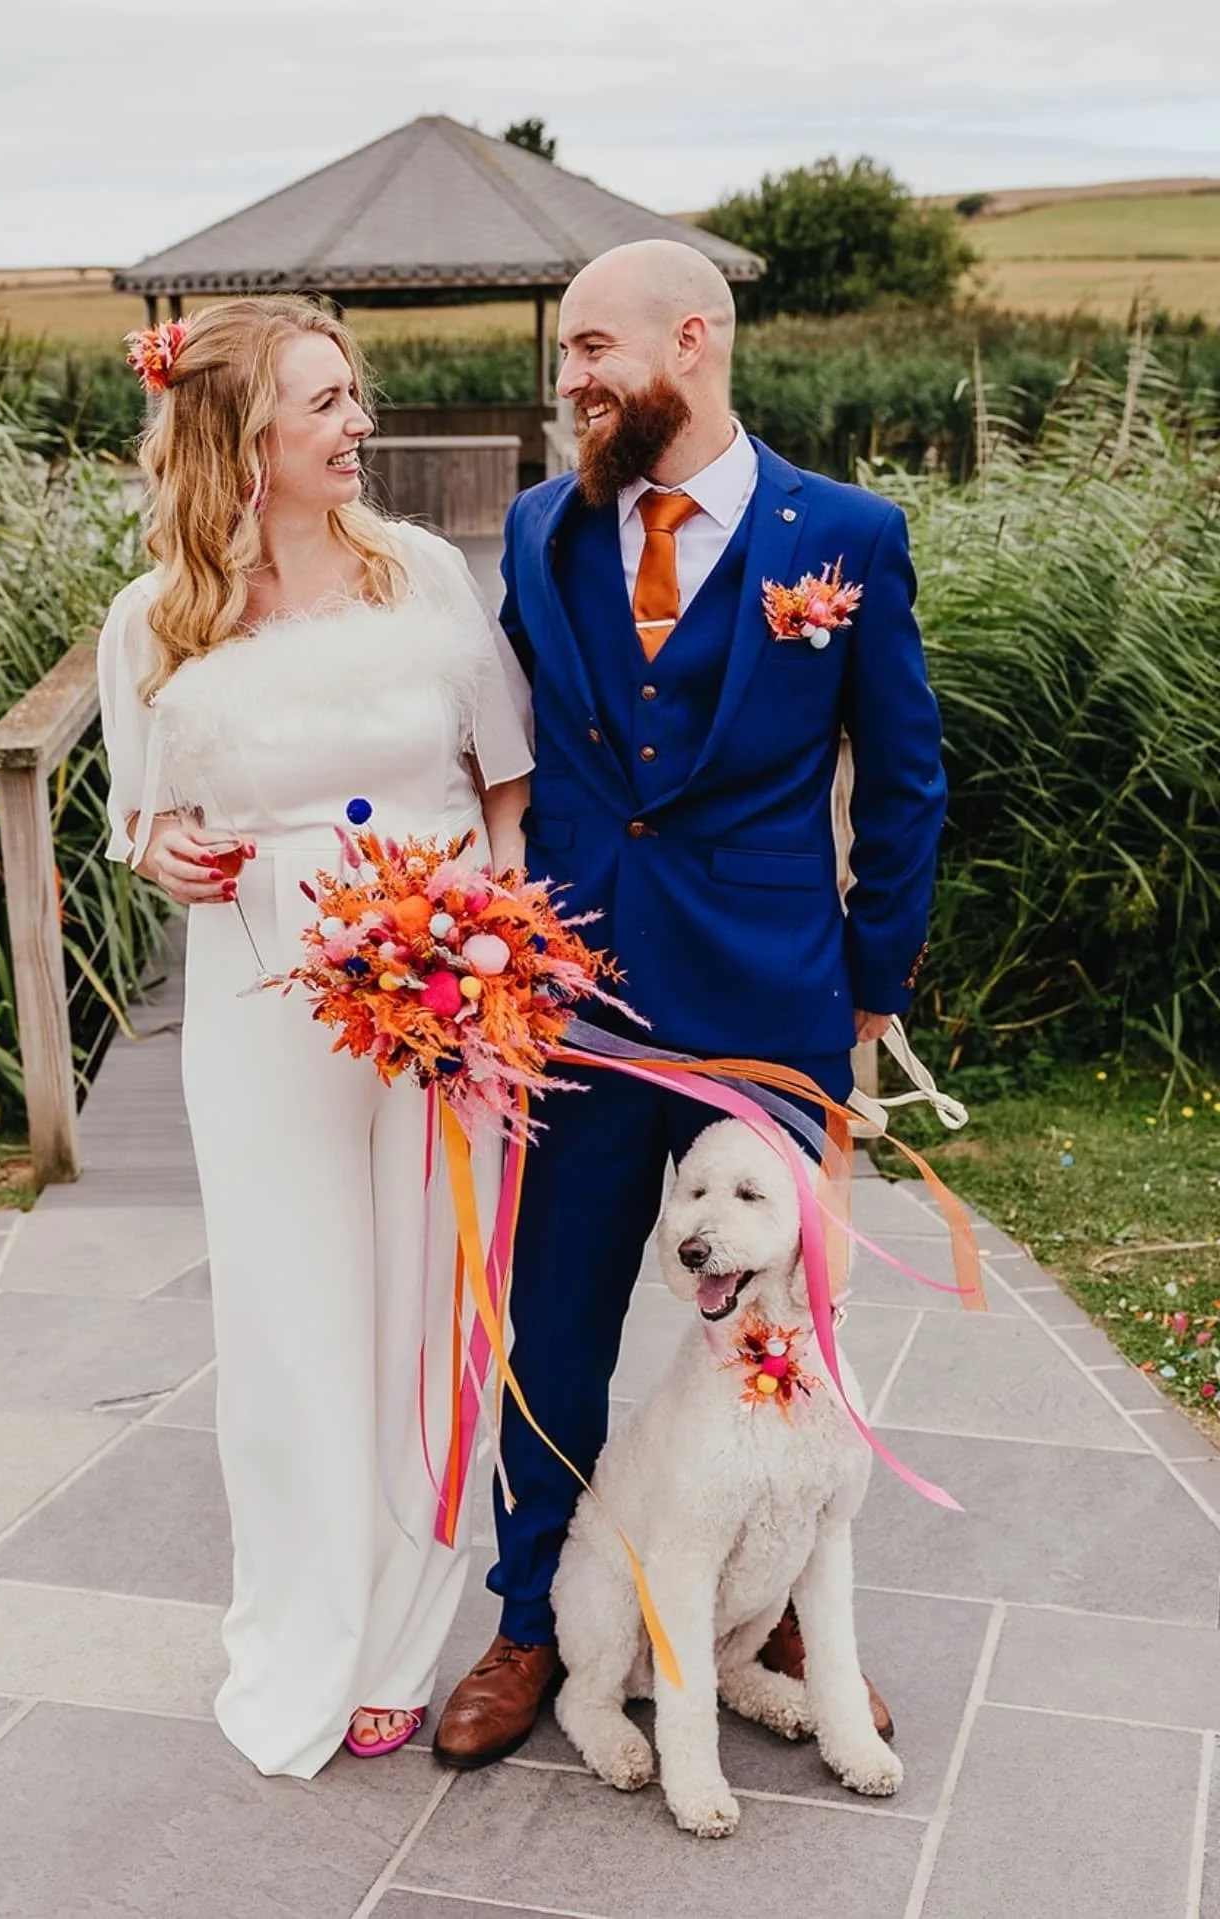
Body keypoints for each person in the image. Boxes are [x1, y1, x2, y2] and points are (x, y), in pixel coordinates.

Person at [433, 240, 946, 1768]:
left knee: (785, 1321)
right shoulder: (539, 526)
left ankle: (777, 1601)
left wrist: (871, 984)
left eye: (596, 348)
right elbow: (492, 734)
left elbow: (905, 774)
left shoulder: (845, 534)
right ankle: (534, 1616)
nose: (574, 379)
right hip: (578, 1006)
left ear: (693, 337)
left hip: (771, 1009)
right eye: (568, 356)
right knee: (559, 1320)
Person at [97, 297, 532, 1777]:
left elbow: (507, 771)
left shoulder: (416, 573)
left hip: (440, 985)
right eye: (326, 405)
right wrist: (163, 850)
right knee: (293, 1311)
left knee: (432, 1300)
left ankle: (405, 1628)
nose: (360, 425)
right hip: (265, 999)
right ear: (243, 440)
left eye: (355, 395)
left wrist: (494, 939)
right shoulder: (154, 615)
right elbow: (140, 813)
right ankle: (308, 1612)